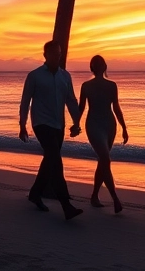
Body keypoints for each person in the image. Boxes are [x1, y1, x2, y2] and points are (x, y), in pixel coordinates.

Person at [18, 40, 84, 220]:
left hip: (58, 125)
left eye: (60, 53)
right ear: (45, 55)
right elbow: (26, 101)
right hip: (41, 123)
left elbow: (71, 100)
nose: (58, 56)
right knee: (56, 160)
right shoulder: (35, 76)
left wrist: (76, 122)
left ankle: (35, 193)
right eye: (54, 53)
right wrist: (22, 124)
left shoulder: (65, 76)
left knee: (49, 161)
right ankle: (66, 205)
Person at [76, 54, 129, 213]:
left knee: (103, 161)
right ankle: (115, 198)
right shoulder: (86, 86)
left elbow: (116, 108)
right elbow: (81, 108)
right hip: (94, 125)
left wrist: (124, 127)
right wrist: (76, 124)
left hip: (109, 125)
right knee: (106, 158)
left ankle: (94, 197)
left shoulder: (112, 85)